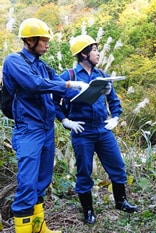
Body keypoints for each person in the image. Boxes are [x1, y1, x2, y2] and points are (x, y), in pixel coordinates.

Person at [2, 18, 88, 233]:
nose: (48, 44)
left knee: (42, 180)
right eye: (44, 40)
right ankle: (24, 230)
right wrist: (69, 83)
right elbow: (34, 85)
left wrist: (90, 90)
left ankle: (39, 229)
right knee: (27, 183)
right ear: (30, 40)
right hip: (29, 130)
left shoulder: (43, 66)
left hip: (47, 128)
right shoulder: (14, 61)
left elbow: (61, 90)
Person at [54, 35, 138, 224]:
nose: (98, 53)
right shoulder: (68, 76)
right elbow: (53, 103)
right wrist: (65, 121)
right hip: (82, 131)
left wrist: (115, 117)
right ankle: (88, 211)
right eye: (94, 49)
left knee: (117, 165)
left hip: (103, 129)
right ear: (84, 53)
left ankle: (121, 201)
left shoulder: (101, 74)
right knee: (84, 171)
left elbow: (114, 100)